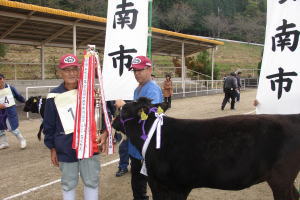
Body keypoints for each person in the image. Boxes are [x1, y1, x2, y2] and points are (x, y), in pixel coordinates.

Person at [43, 54, 108, 200]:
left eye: (74, 69)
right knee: (68, 183)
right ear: (60, 72)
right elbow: (49, 125)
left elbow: (104, 115)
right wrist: (52, 148)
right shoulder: (53, 96)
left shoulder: (91, 92)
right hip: (65, 146)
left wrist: (105, 133)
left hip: (89, 145)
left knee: (91, 181)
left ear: (80, 71)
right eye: (67, 70)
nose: (72, 73)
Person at [115, 56, 163, 200]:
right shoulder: (139, 88)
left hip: (146, 144)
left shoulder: (152, 89)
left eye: (140, 70)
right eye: (135, 71)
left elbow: (148, 118)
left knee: (147, 182)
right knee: (137, 181)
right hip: (137, 144)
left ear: (149, 69)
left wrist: (124, 107)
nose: (137, 74)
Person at [0, 73, 26, 150]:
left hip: (9, 110)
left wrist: (25, 102)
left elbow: (18, 96)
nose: (0, 81)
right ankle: (4, 143)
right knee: (0, 128)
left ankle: (22, 139)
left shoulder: (10, 88)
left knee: (11, 126)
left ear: (3, 79)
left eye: (0, 79)